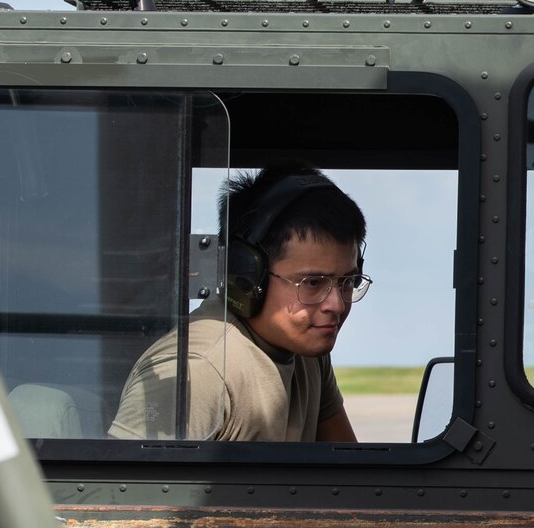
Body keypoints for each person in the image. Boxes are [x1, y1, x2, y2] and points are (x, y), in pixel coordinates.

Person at [109, 163, 369, 442]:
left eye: (347, 281)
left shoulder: (308, 350)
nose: (337, 305)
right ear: (246, 274)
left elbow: (349, 474)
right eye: (312, 283)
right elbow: (122, 485)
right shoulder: (198, 371)